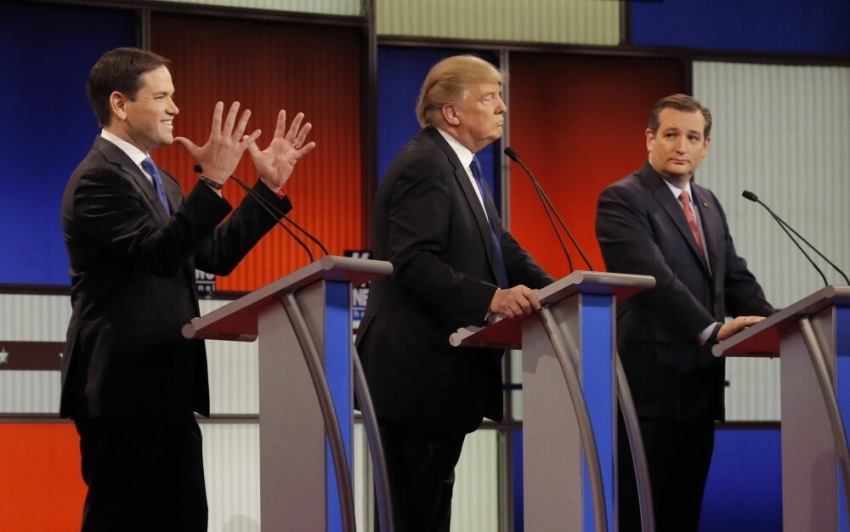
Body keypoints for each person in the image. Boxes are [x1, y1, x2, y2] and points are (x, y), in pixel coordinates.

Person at [59, 47, 315, 531]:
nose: (176, 108)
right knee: (123, 520)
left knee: (184, 519)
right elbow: (157, 255)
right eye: (162, 96)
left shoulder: (162, 180)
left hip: (168, 386)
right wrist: (213, 181)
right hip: (122, 390)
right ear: (120, 103)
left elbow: (213, 255)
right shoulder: (96, 179)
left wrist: (266, 188)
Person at [356, 55, 554, 532]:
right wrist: (491, 299)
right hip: (415, 375)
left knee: (430, 508)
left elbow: (498, 244)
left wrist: (559, 290)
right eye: (488, 98)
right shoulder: (425, 163)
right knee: (416, 514)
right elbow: (413, 261)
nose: (502, 107)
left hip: (440, 378)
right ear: (452, 112)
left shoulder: (459, 164)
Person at [595, 93, 775, 531]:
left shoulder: (709, 203)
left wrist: (781, 325)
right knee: (641, 515)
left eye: (692, 137)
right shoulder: (622, 199)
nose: (681, 146)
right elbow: (655, 280)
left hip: (698, 386)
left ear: (706, 145)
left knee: (683, 514)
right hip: (648, 385)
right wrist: (711, 330)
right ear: (650, 138)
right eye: (671, 134)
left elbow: (734, 278)